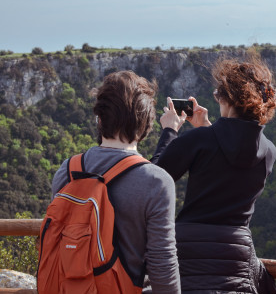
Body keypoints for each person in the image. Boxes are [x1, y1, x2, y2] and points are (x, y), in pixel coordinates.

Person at [151, 54, 276, 293]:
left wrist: (170, 131)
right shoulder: (269, 151)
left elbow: (154, 179)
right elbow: (231, 160)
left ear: (226, 98)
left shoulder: (198, 141)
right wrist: (208, 129)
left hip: (190, 251)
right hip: (236, 252)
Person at [51, 71, 181, 293]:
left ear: (99, 119)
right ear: (146, 125)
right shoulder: (156, 182)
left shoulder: (67, 170)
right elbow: (162, 265)